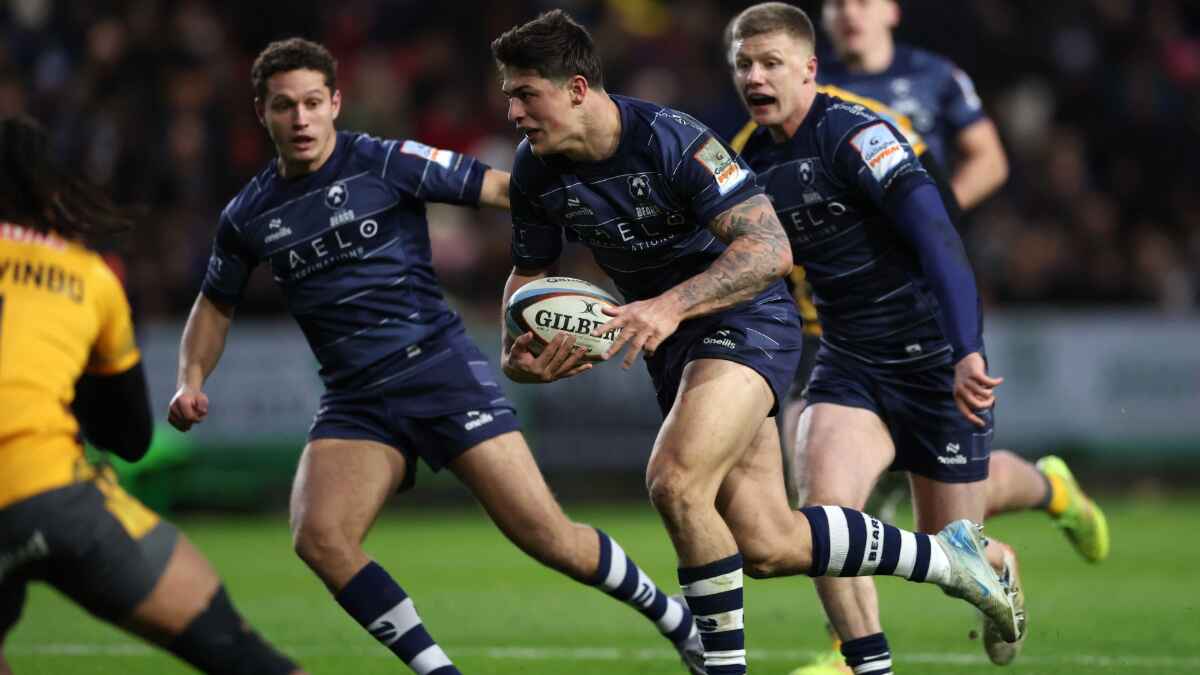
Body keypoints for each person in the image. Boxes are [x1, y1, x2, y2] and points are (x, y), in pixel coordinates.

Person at [492, 10, 1020, 675]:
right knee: (770, 543)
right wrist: (520, 341)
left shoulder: (678, 141)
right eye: (509, 95)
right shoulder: (537, 170)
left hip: (746, 322)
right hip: (694, 346)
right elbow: (531, 276)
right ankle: (948, 561)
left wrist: (668, 304)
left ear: (574, 88)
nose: (512, 111)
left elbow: (771, 249)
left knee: (676, 481)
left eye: (524, 94)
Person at [166, 37, 707, 675]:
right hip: (357, 399)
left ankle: (674, 618)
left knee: (550, 538)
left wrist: (608, 217)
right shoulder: (248, 214)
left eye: (314, 102)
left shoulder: (387, 162)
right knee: (320, 538)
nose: (302, 118)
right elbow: (214, 304)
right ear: (263, 112)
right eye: (286, 106)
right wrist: (189, 378)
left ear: (337, 103)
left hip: (440, 371)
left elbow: (506, 189)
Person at [723, 5, 1071, 672]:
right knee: (824, 517)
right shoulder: (747, 162)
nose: (756, 77)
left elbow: (940, 239)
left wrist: (967, 348)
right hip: (849, 361)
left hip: (932, 359)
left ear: (808, 69)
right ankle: (866, 663)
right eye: (744, 65)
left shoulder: (859, 135)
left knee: (948, 544)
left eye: (771, 64)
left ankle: (1000, 561)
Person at [0, 115, 303, 675]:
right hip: (51, 491)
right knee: (239, 653)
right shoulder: (86, 276)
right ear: (48, 188)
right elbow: (130, 437)